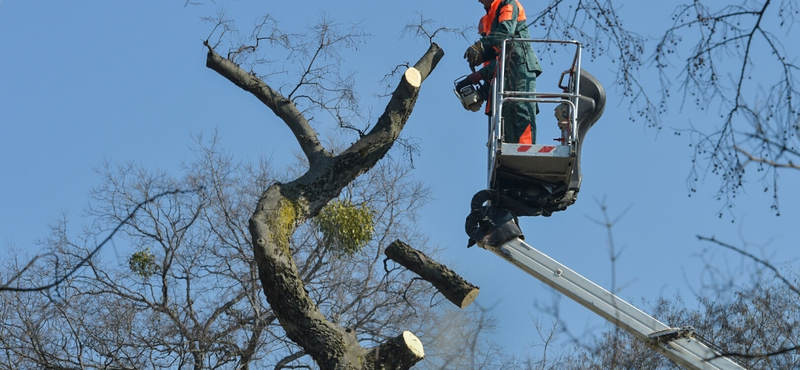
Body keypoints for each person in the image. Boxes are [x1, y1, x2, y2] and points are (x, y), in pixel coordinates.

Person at [460, 0, 542, 144]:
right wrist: (482, 57)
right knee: (506, 113)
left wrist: (480, 46)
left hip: (520, 64)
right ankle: (512, 153)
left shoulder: (508, 3)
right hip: (505, 68)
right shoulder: (491, 15)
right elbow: (497, 52)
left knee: (521, 107)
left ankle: (526, 150)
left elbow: (506, 31)